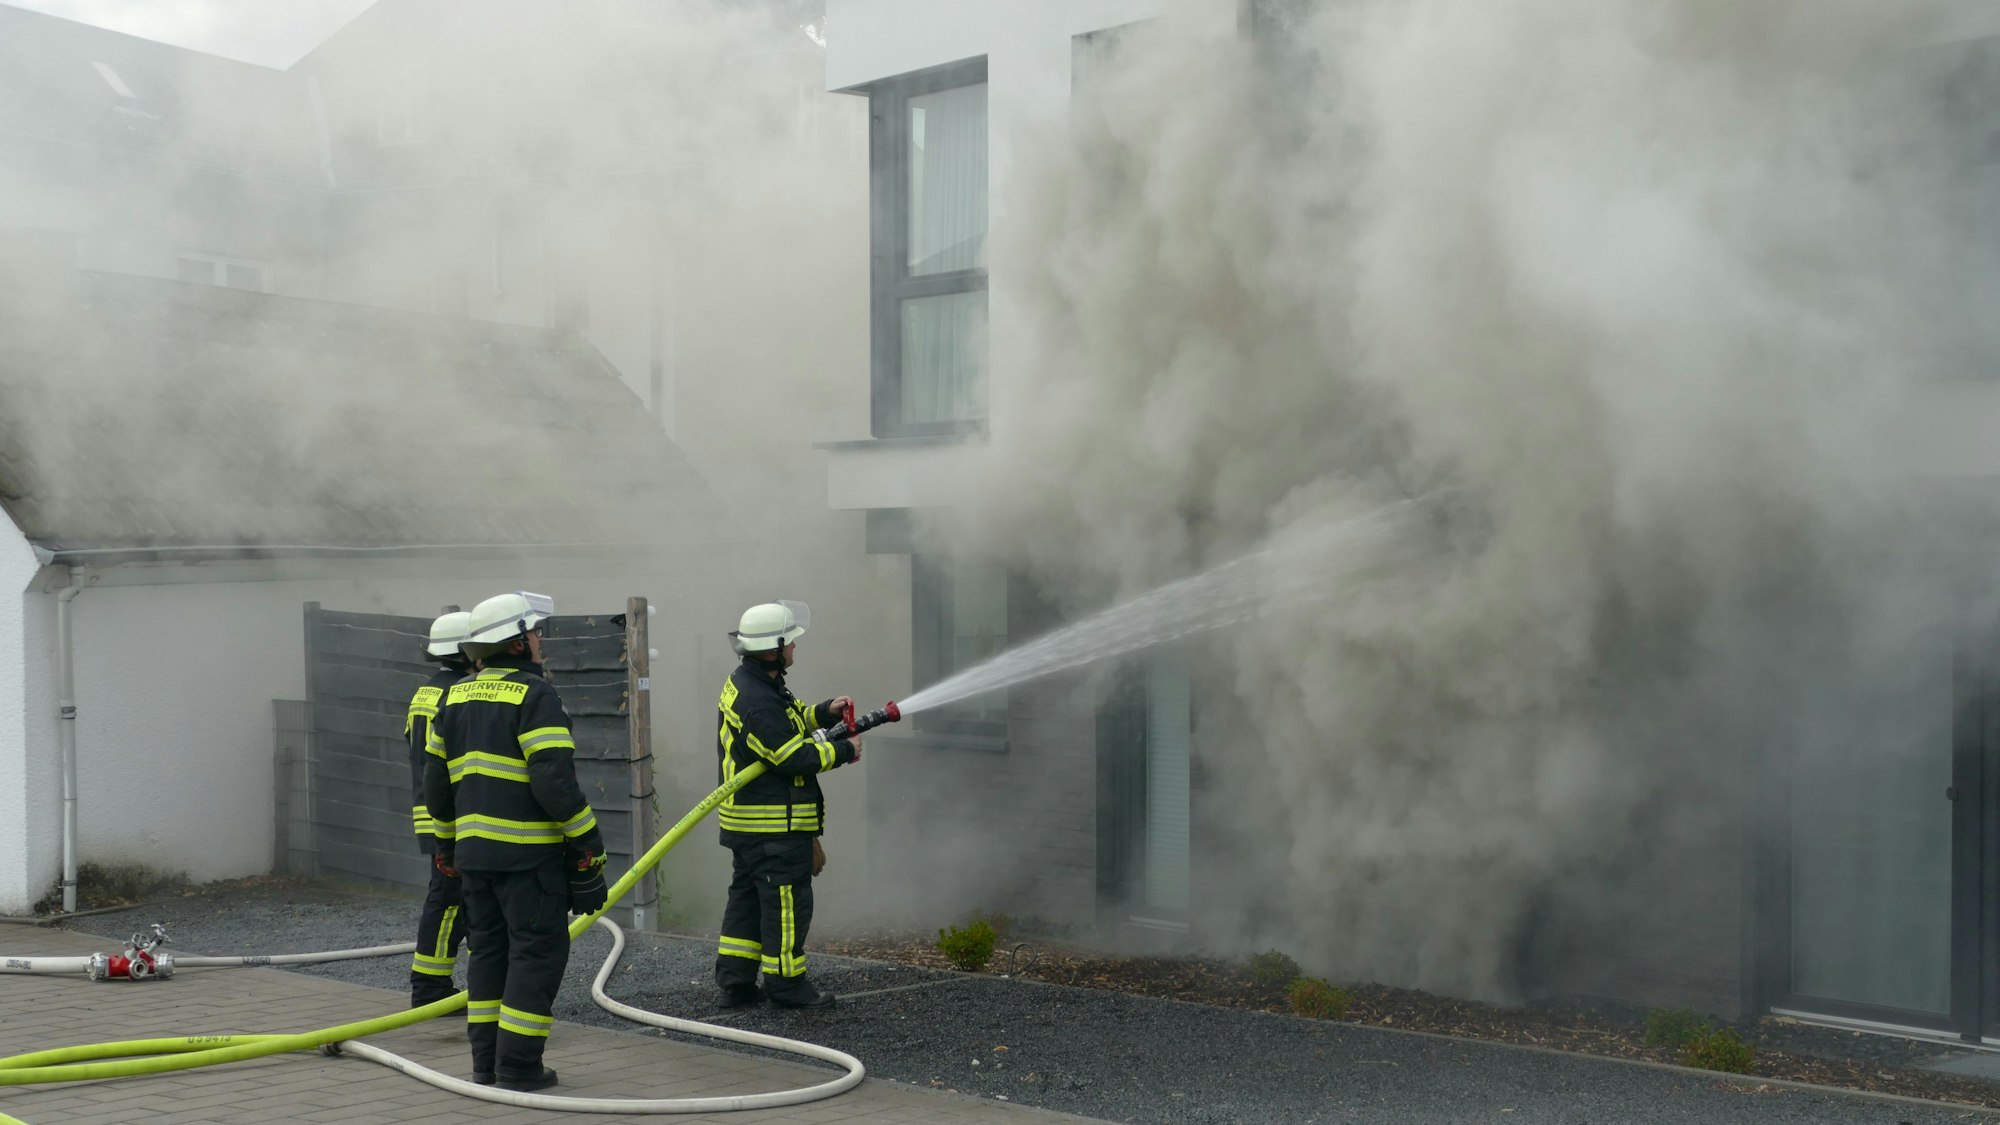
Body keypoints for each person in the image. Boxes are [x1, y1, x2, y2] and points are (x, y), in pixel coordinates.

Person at [425, 591, 607, 1092]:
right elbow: (553, 780)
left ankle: (487, 1064)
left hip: (474, 859)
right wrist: (587, 837)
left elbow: (435, 786)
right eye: (535, 632)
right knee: (535, 955)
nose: (540, 639)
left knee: (487, 954)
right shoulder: (535, 695)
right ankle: (521, 1066)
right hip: (528, 859)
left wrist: (446, 846)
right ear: (517, 641)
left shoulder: (454, 695)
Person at [713, 600, 861, 1010]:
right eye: (790, 642)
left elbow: (788, 721)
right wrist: (845, 750)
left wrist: (823, 711)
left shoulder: (753, 682)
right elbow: (788, 755)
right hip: (774, 827)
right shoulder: (757, 698)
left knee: (745, 899)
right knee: (787, 903)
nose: (796, 648)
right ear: (771, 649)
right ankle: (786, 985)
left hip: (750, 825)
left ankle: (736, 981)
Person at [406, 609, 473, 1009]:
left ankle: (434, 985)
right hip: (448, 817)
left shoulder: (427, 691)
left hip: (431, 813)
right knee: (448, 900)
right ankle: (430, 988)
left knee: (451, 899)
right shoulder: (456, 694)